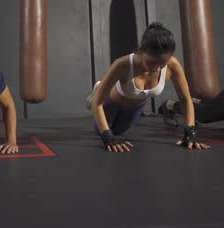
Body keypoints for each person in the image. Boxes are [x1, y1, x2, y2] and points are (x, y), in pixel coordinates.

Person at [87, 23, 210, 152]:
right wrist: (107, 137)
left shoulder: (172, 65)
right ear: (139, 51)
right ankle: (99, 88)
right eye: (151, 63)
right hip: (112, 101)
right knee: (99, 131)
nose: (156, 68)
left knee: (118, 131)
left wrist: (190, 132)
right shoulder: (123, 64)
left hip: (135, 107)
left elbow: (185, 99)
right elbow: (98, 103)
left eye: (162, 64)